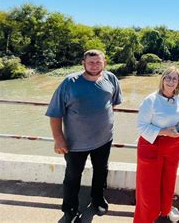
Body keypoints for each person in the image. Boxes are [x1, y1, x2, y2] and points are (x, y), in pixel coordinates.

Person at [46, 49, 123, 223]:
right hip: (75, 142)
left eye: (98, 62)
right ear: (83, 63)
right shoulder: (69, 83)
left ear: (104, 62)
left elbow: (113, 104)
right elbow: (55, 114)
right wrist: (59, 139)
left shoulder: (111, 79)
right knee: (73, 176)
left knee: (101, 170)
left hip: (104, 138)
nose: (94, 65)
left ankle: (97, 199)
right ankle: (70, 210)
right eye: (91, 62)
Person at [134, 66, 179, 223]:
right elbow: (141, 126)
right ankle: (145, 219)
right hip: (152, 144)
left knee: (169, 180)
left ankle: (165, 211)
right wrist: (164, 132)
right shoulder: (151, 100)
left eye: (175, 78)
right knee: (148, 187)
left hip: (174, 144)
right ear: (162, 79)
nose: (171, 81)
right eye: (168, 77)